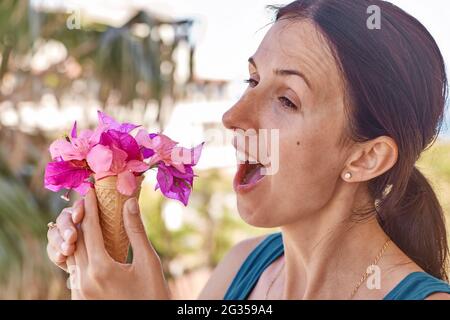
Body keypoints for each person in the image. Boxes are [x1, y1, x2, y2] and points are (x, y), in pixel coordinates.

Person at [46, 0, 450, 299]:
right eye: (253, 80)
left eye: (287, 100)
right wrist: (92, 280)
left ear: (366, 157)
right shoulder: (243, 266)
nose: (232, 115)